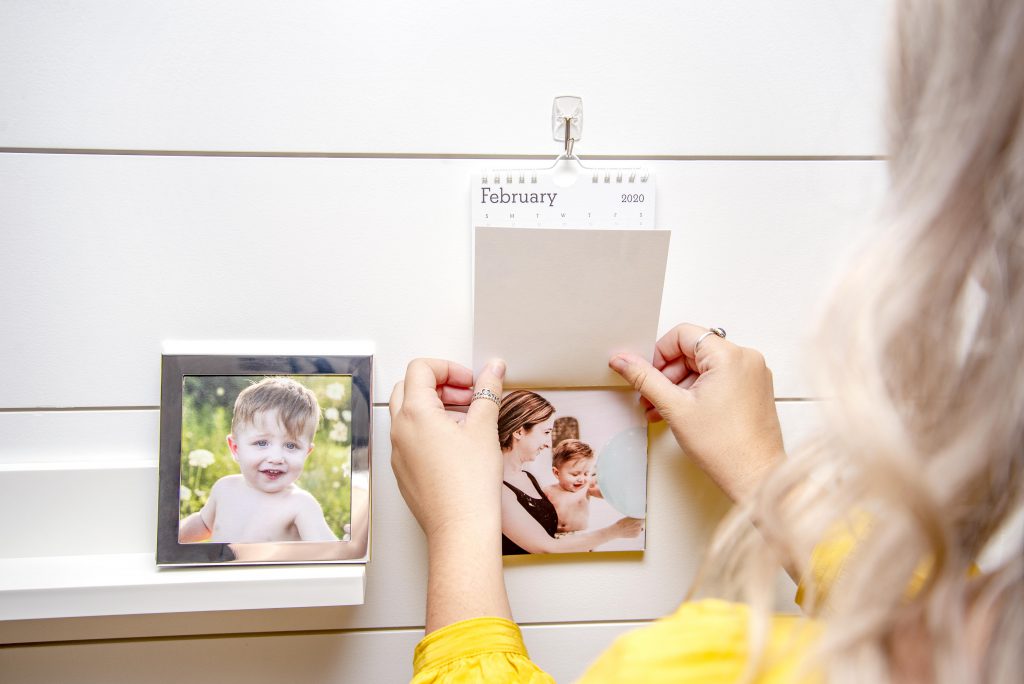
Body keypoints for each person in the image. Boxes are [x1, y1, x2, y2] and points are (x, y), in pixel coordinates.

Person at [389, 0, 1024, 680]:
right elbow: (923, 623)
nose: (555, 456)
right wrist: (764, 474)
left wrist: (458, 539)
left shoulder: (699, 665)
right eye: (544, 442)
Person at [179, 377, 338, 543]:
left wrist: (349, 547)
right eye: (261, 443)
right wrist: (170, 535)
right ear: (236, 448)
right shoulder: (224, 489)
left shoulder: (301, 505)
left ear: (306, 453)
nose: (276, 458)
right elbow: (203, 524)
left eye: (291, 446)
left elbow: (328, 550)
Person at [497, 390, 641, 555]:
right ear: (519, 431)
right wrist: (616, 531)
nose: (547, 444)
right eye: (545, 433)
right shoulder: (496, 489)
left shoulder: (527, 477)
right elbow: (546, 547)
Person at [542, 439, 601, 535]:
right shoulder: (548, 491)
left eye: (586, 473)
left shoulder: (586, 489)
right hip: (555, 537)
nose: (582, 479)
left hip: (580, 536)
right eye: (575, 474)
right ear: (557, 473)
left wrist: (602, 482)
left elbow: (604, 494)